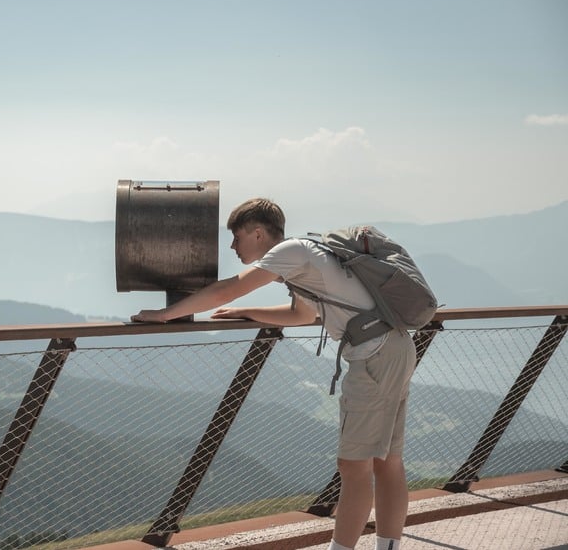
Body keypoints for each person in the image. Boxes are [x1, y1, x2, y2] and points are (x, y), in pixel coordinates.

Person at [131, 197, 415, 550]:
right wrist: (246, 311)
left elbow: (229, 286)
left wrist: (165, 315)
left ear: (258, 232)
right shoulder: (308, 256)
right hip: (394, 345)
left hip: (373, 355)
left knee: (354, 465)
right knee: (387, 461)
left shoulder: (290, 252)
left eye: (237, 238)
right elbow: (302, 315)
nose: (233, 246)